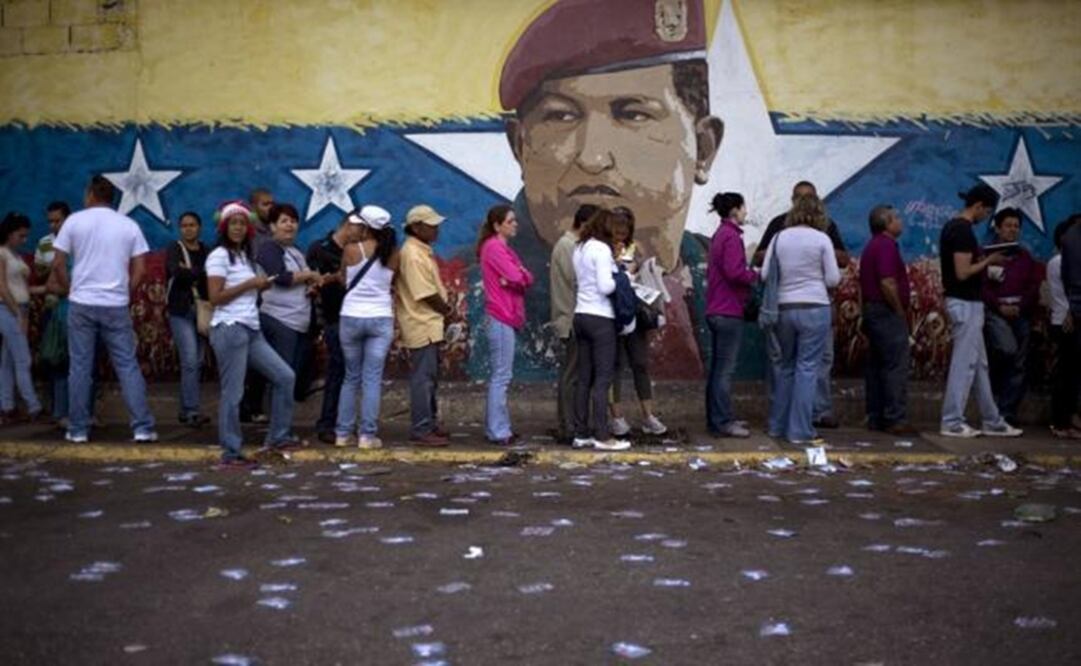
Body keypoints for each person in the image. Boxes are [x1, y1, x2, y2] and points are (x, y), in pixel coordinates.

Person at [496, 0, 723, 378]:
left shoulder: (719, 275)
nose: (593, 156)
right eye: (561, 115)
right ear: (519, 146)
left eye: (633, 114)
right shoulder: (467, 295)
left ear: (703, 148)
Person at [50, 176, 157, 443]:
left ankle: (77, 429)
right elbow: (141, 269)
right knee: (127, 365)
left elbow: (59, 263)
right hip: (115, 304)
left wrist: (71, 288)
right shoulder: (129, 225)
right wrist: (124, 291)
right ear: (113, 198)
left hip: (81, 303)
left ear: (90, 195)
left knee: (80, 367)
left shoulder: (73, 222)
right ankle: (142, 427)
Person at [205, 201, 295, 468]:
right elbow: (215, 298)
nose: (238, 228)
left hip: (251, 328)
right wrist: (249, 284)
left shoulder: (244, 256)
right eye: (233, 223)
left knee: (285, 376)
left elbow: (247, 291)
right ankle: (231, 453)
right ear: (224, 227)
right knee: (233, 394)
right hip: (230, 328)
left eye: (242, 224)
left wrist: (259, 287)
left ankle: (277, 437)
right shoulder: (219, 256)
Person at [754, 181, 850, 430]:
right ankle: (801, 428)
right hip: (815, 306)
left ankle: (778, 425)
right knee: (808, 367)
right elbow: (833, 278)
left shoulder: (778, 236)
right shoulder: (822, 237)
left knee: (785, 366)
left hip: (783, 307)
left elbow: (764, 274)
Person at [938, 183, 1021, 438]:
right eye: (987, 211)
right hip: (965, 303)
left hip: (968, 303)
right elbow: (962, 272)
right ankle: (952, 421)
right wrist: (988, 261)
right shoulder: (962, 232)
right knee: (965, 365)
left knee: (980, 365)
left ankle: (992, 419)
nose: (987, 217)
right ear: (978, 207)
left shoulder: (954, 228)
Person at [335, 206, 398, 449]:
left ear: (366, 227)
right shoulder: (394, 253)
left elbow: (343, 278)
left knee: (351, 377)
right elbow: (394, 281)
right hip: (380, 317)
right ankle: (367, 436)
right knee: (372, 378)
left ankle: (342, 433)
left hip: (350, 316)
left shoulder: (351, 250)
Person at [572, 209, 631, 451]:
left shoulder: (580, 247)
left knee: (583, 378)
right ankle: (602, 435)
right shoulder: (602, 249)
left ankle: (581, 433)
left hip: (581, 314)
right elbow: (606, 287)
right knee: (603, 378)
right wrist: (622, 276)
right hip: (601, 318)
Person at [397, 204, 453, 446]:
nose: (436, 229)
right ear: (416, 227)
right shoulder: (412, 254)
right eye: (431, 226)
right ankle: (421, 429)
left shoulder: (421, 251)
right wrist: (448, 311)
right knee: (423, 378)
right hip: (421, 323)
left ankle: (429, 423)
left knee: (429, 377)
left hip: (428, 323)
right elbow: (425, 293)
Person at [608, 209, 667, 437]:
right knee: (614, 366)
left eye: (625, 232)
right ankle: (617, 417)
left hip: (635, 313)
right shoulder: (603, 250)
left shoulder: (636, 248)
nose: (621, 237)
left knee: (640, 364)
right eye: (618, 232)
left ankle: (648, 415)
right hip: (612, 315)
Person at [478, 204, 534, 445]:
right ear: (497, 225)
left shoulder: (502, 249)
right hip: (501, 315)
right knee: (501, 376)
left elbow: (526, 278)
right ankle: (499, 430)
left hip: (504, 315)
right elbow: (516, 277)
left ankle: (499, 428)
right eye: (510, 221)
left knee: (501, 375)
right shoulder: (495, 248)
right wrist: (517, 277)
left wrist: (519, 276)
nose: (515, 224)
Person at [255, 203, 322, 404]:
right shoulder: (269, 248)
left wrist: (312, 286)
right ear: (273, 226)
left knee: (290, 373)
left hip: (298, 320)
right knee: (283, 375)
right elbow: (281, 278)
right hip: (280, 319)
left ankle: (282, 423)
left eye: (293, 221)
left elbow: (299, 279)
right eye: (284, 221)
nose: (289, 225)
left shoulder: (295, 251)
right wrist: (309, 274)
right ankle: (278, 429)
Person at [981, 208, 1042, 425]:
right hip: (996, 313)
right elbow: (981, 287)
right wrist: (999, 306)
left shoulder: (1024, 257)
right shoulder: (987, 255)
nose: (1012, 230)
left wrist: (1021, 305)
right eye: (1008, 225)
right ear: (998, 228)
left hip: (1020, 314)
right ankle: (992, 403)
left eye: (1016, 226)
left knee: (1019, 363)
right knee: (1006, 350)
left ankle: (1007, 412)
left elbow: (1034, 286)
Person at [859, 205, 916, 435]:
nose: (900, 222)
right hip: (885, 311)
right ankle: (895, 418)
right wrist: (899, 310)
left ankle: (876, 415)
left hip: (873, 311)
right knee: (895, 365)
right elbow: (887, 282)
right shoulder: (885, 246)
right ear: (887, 223)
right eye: (897, 218)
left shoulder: (872, 246)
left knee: (877, 366)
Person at [705, 192, 757, 438]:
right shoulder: (732, 237)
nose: (746, 212)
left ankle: (716, 419)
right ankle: (723, 421)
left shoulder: (720, 235)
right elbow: (735, 272)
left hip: (717, 309)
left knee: (717, 369)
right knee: (725, 370)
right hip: (728, 311)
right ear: (735, 210)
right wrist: (756, 275)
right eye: (744, 207)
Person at [307, 211, 360, 444]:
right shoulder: (320, 249)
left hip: (352, 317)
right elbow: (311, 282)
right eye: (360, 229)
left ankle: (343, 421)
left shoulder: (357, 251)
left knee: (349, 373)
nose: (363, 235)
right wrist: (333, 277)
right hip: (332, 319)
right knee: (337, 371)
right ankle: (327, 423)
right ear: (349, 225)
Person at [550, 204, 597, 443]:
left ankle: (574, 423)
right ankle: (568, 425)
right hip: (570, 319)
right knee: (572, 376)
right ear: (585, 224)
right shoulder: (568, 246)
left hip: (574, 318)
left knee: (577, 375)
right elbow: (578, 280)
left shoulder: (573, 246)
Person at [165, 211, 210, 427]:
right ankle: (192, 410)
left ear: (199, 227)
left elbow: (209, 275)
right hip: (180, 311)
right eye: (184, 225)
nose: (188, 229)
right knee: (190, 360)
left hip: (202, 310)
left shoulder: (206, 250)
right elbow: (175, 271)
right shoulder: (174, 248)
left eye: (192, 225)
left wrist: (191, 271)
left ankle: (186, 409)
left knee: (197, 361)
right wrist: (195, 272)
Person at [0, 213, 43, 422]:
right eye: (21, 236)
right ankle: (33, 406)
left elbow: (21, 286)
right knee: (22, 358)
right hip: (7, 309)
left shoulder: (15, 255)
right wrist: (17, 311)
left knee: (8, 359)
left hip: (19, 307)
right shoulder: (1, 254)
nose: (24, 240)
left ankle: (7, 405)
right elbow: (1, 286)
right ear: (9, 234)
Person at [239, 187, 275, 424]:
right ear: (253, 207)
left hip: (270, 304)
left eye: (271, 203)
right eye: (264, 204)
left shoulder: (273, 234)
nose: (269, 208)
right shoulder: (249, 237)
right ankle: (245, 407)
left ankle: (256, 405)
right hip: (252, 302)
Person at [36, 201, 71, 425]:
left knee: (77, 363)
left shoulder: (78, 240)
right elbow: (40, 274)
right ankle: (59, 412)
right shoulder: (45, 243)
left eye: (57, 220)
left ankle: (81, 411)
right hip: (53, 307)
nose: (53, 225)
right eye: (50, 221)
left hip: (74, 307)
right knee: (56, 361)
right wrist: (53, 270)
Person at [1047, 215, 1081, 438]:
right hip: (1067, 321)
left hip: (1065, 318)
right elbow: (1072, 289)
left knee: (1067, 372)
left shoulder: (1058, 261)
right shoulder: (1059, 262)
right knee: (1068, 374)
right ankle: (1063, 421)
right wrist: (1073, 311)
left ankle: (1064, 420)